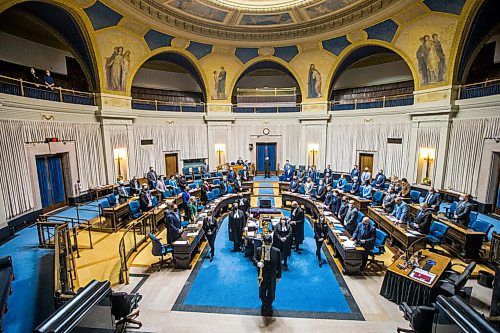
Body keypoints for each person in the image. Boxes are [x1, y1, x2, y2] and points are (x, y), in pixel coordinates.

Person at [254, 234, 281, 316]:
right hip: (262, 275)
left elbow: (279, 265)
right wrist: (257, 263)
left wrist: (279, 275)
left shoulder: (277, 251)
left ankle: (269, 304)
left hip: (272, 275)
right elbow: (254, 258)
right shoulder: (259, 250)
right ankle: (263, 303)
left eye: (269, 244)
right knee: (262, 290)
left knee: (271, 291)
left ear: (271, 242)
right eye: (266, 244)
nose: (267, 246)